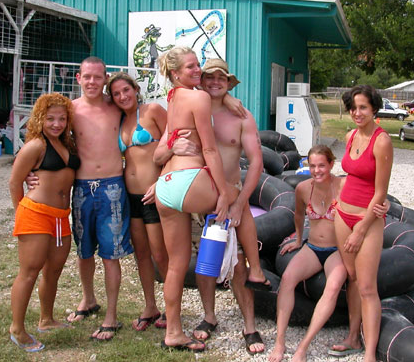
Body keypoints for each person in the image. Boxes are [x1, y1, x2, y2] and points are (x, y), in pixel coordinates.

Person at [154, 47, 268, 352]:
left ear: (229, 83)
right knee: (201, 264)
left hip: (215, 195)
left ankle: (250, 326)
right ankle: (208, 316)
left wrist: (238, 199)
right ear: (199, 79)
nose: (215, 81)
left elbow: (256, 163)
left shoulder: (240, 115)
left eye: (222, 78)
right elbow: (163, 152)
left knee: (235, 263)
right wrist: (172, 153)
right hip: (202, 193)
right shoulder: (195, 102)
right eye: (208, 75)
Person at [28, 57, 135, 341]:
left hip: (113, 186)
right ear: (78, 78)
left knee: (111, 255)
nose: (92, 82)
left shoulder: (117, 108)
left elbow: (144, 116)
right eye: (87, 77)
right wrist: (29, 170)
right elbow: (41, 139)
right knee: (84, 250)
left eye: (97, 77)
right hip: (82, 188)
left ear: (105, 78)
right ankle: (88, 299)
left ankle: (111, 316)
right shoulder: (70, 111)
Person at [268, 145, 389, 362]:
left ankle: (303, 347)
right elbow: (297, 216)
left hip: (338, 251)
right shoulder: (303, 189)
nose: (317, 170)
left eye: (322, 165)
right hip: (313, 247)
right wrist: (297, 239)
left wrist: (385, 203)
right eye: (312, 166)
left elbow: (374, 195)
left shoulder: (345, 186)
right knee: (287, 279)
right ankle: (280, 341)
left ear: (331, 164)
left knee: (332, 287)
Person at [9, 93, 79, 352]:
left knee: (54, 271)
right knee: (29, 272)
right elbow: (15, 182)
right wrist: (21, 213)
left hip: (61, 218)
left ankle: (46, 319)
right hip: (36, 214)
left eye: (62, 118)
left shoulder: (69, 144)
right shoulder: (35, 146)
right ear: (40, 118)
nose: (56, 124)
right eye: (50, 118)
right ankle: (17, 329)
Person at [334, 85, 393, 362]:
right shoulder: (349, 136)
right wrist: (335, 201)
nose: (357, 113)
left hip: (366, 220)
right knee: (352, 279)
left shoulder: (382, 142)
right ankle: (352, 337)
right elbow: (349, 174)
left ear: (374, 109)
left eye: (363, 107)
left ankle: (370, 354)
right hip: (342, 215)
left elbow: (380, 193)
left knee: (368, 287)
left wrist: (361, 228)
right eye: (353, 107)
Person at [106, 72, 168, 331]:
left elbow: (174, 143)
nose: (122, 96)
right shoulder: (120, 120)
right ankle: (150, 306)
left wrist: (163, 181)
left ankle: (170, 307)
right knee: (141, 253)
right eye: (116, 94)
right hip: (130, 196)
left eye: (125, 90)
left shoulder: (152, 110)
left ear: (135, 88)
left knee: (159, 253)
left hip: (153, 193)